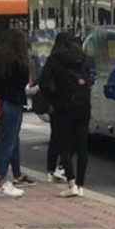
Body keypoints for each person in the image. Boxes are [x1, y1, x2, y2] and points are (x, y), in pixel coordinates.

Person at [0, 28, 35, 198]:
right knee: (9, 142)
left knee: (4, 141)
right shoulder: (17, 60)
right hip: (13, 102)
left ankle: (3, 179)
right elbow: (23, 82)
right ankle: (2, 182)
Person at [48, 32, 91, 197]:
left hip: (63, 107)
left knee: (64, 145)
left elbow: (45, 82)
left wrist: (54, 98)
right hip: (83, 106)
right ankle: (81, 186)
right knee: (82, 146)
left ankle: (71, 183)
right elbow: (88, 79)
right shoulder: (82, 57)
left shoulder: (54, 59)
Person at [36, 40, 66, 184]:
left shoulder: (52, 60)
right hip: (68, 104)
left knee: (55, 137)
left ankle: (51, 170)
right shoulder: (73, 59)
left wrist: (51, 97)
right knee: (68, 137)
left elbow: (43, 82)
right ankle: (62, 167)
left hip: (55, 105)